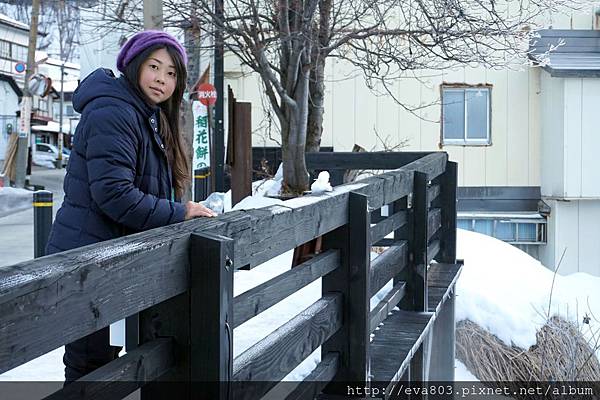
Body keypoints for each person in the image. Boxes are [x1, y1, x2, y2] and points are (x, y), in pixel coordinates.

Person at [45, 30, 216, 383]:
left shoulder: (145, 113)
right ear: (134, 65)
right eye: (154, 67)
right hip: (88, 258)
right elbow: (114, 195)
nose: (162, 79)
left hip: (111, 257)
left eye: (171, 73)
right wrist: (180, 212)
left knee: (108, 364)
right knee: (90, 367)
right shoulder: (114, 111)